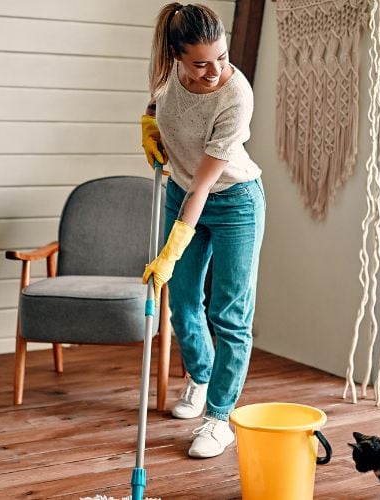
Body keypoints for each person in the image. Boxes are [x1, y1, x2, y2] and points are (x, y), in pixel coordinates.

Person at [140, 2, 265, 459]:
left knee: (230, 314)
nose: (214, 71)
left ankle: (219, 417)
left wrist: (170, 250)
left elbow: (203, 186)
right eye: (201, 63)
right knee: (184, 304)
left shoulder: (236, 96)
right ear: (177, 57)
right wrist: (148, 127)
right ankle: (201, 375)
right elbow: (156, 105)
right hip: (179, 192)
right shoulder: (164, 73)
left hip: (233, 202)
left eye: (223, 57)